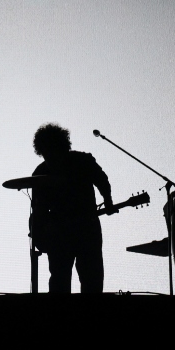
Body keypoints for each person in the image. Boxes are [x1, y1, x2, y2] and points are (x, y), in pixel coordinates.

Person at [29, 123, 115, 293]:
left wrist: (108, 200)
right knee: (62, 281)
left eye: (51, 152)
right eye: (46, 154)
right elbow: (38, 210)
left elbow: (102, 180)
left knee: (90, 279)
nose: (49, 158)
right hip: (62, 233)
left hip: (85, 230)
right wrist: (39, 234)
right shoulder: (40, 173)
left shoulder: (82, 161)